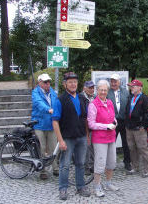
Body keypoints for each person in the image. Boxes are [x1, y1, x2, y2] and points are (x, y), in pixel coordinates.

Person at [52, 72, 91, 200]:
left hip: (81, 137)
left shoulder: (82, 98)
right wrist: (60, 140)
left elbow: (85, 119)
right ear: (65, 84)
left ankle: (80, 186)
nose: (73, 84)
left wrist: (87, 135)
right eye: (70, 82)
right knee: (65, 165)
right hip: (67, 138)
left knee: (80, 163)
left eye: (75, 81)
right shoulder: (60, 100)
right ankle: (63, 189)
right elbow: (55, 121)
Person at [88, 80, 119, 197]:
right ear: (97, 90)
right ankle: (97, 186)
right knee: (100, 163)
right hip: (100, 139)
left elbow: (113, 116)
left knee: (112, 162)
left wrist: (115, 122)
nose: (103, 92)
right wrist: (106, 126)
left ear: (108, 91)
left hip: (111, 137)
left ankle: (108, 183)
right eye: (101, 89)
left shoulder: (110, 102)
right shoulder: (93, 104)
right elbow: (91, 124)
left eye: (105, 90)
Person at [31, 73, 58, 179]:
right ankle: (43, 170)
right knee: (41, 147)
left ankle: (55, 168)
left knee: (54, 147)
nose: (48, 84)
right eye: (45, 82)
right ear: (40, 83)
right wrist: (49, 109)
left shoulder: (52, 92)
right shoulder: (35, 92)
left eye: (49, 82)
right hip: (39, 124)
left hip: (51, 124)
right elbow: (38, 103)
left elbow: (57, 103)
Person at [125, 79, 148, 177]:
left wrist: (144, 126)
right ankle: (135, 167)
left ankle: (147, 169)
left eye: (133, 86)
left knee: (142, 148)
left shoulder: (144, 98)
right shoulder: (131, 97)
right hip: (129, 128)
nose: (131, 88)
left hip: (139, 128)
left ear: (139, 88)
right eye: (131, 86)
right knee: (132, 148)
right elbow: (127, 111)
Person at [107, 74, 132, 173]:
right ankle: (110, 163)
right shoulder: (107, 92)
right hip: (112, 121)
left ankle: (127, 162)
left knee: (126, 143)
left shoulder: (125, 92)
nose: (113, 83)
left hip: (124, 121)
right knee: (111, 143)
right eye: (112, 81)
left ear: (119, 82)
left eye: (115, 81)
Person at [80, 80, 96, 175]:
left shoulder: (94, 97)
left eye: (93, 87)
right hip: (83, 127)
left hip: (94, 126)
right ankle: (85, 167)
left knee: (93, 147)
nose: (92, 89)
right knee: (86, 147)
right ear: (84, 88)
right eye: (90, 88)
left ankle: (93, 165)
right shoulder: (80, 97)